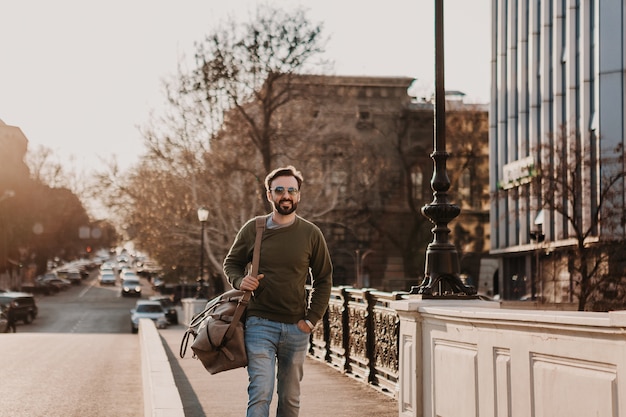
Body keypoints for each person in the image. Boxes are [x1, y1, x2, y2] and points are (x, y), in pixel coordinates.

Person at [223, 165, 333, 417]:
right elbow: (232, 263)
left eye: (292, 190)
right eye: (280, 190)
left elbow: (324, 278)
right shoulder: (255, 228)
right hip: (259, 324)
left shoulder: (311, 234)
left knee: (290, 399)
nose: (286, 195)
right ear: (269, 194)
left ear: (299, 195)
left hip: (297, 328)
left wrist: (311, 319)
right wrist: (240, 281)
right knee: (260, 393)